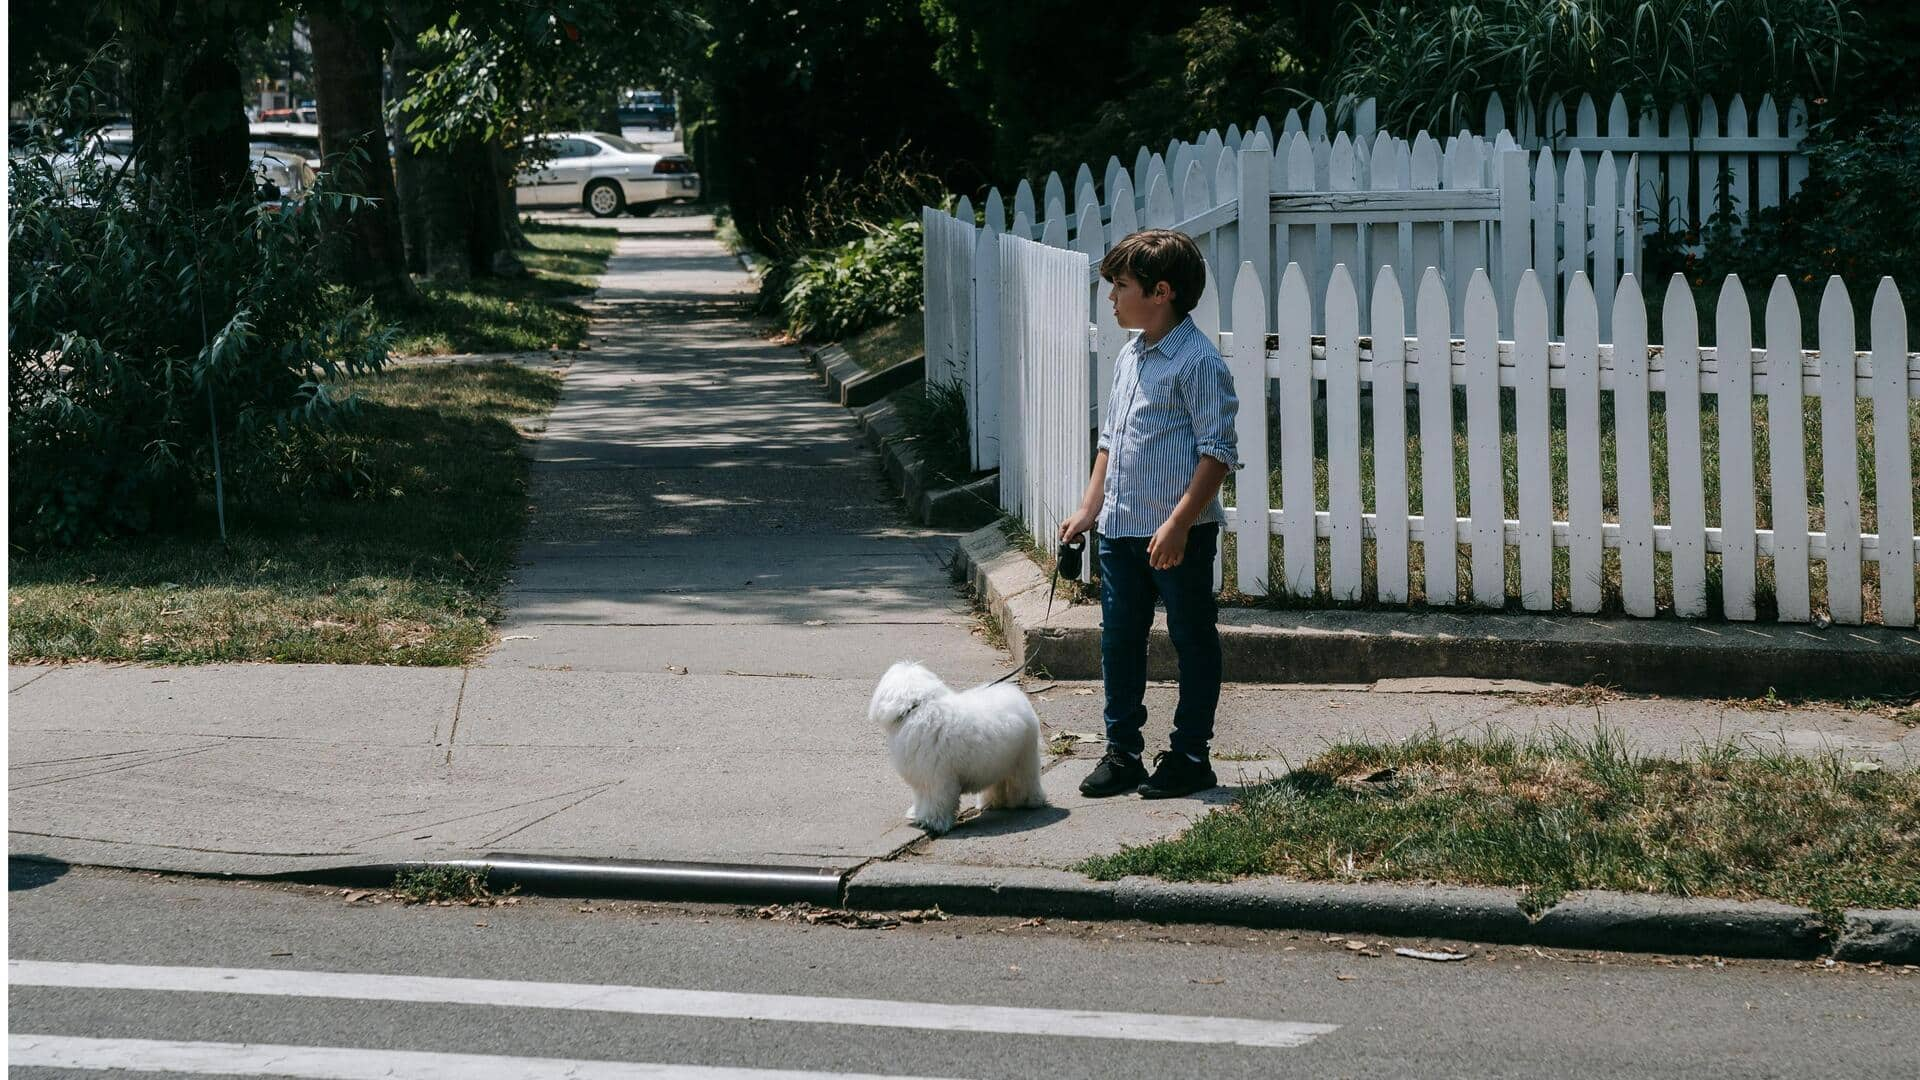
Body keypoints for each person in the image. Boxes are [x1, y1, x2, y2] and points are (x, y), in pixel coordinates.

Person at [1056, 228, 1240, 799]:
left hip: (1177, 533)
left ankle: (1189, 754)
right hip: (1120, 529)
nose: (1111, 297)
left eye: (1120, 286)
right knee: (1119, 640)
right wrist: (1090, 506)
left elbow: (1218, 453)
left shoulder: (1198, 361)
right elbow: (1111, 437)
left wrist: (1181, 521)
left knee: (1190, 637)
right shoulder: (1131, 355)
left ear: (1161, 291)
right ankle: (1123, 752)